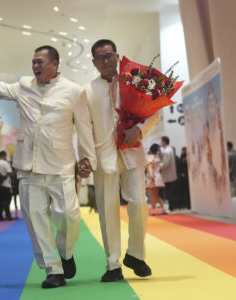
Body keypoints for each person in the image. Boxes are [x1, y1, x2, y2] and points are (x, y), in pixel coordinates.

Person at [0, 45, 96, 289]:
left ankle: (66, 253)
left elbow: (84, 127)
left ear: (55, 64)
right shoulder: (23, 85)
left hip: (60, 165)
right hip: (28, 167)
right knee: (36, 220)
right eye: (33, 62)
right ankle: (53, 270)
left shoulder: (74, 91)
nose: (35, 66)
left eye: (40, 62)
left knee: (69, 217)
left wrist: (87, 159)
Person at [83, 39, 156, 282]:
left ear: (117, 56)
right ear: (94, 62)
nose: (106, 61)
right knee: (107, 211)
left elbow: (154, 110)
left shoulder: (134, 80)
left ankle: (136, 254)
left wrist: (141, 129)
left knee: (138, 204)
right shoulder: (88, 91)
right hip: (103, 157)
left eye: (109, 56)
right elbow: (83, 128)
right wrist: (86, 158)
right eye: (100, 58)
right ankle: (112, 264)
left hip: (132, 152)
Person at [145, 144, 166, 215]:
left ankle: (154, 210)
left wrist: (151, 176)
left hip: (152, 177)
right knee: (155, 195)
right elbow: (161, 167)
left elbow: (149, 167)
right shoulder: (157, 157)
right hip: (158, 177)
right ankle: (162, 208)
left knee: (152, 195)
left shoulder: (149, 157)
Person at [0, 151, 13, 221]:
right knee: (7, 201)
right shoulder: (5, 163)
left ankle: (0, 216)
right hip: (6, 184)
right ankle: (8, 215)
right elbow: (10, 173)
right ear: (4, 156)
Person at [160, 136, 178, 211]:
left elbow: (165, 164)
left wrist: (158, 167)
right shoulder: (170, 149)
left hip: (168, 175)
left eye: (161, 141)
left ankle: (171, 208)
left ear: (164, 142)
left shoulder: (167, 151)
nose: (161, 143)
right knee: (171, 192)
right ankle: (172, 207)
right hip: (171, 174)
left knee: (169, 192)